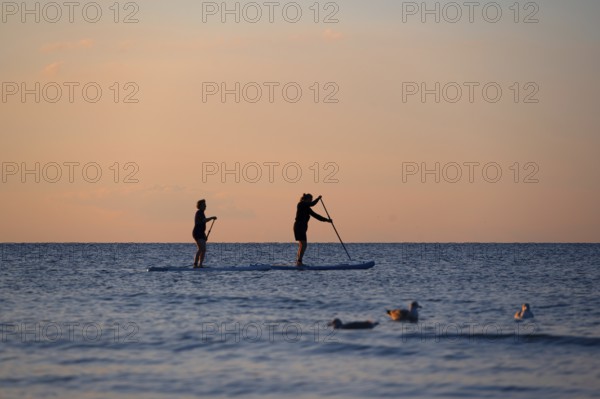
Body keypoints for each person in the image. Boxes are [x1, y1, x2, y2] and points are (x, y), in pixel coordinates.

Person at [293, 193, 332, 266]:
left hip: (302, 227)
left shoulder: (307, 209)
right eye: (310, 199)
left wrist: (327, 220)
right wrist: (318, 198)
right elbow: (312, 204)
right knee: (303, 244)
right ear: (306, 199)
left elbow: (316, 216)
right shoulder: (301, 204)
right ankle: (299, 262)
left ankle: (298, 262)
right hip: (299, 226)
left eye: (311, 199)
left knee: (302, 245)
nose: (311, 201)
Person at [193, 199, 217, 268]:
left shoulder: (202, 212)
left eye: (205, 205)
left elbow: (203, 225)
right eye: (204, 205)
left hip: (201, 233)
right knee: (201, 248)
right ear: (200, 206)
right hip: (197, 233)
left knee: (204, 249)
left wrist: (204, 235)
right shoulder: (199, 212)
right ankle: (195, 264)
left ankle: (200, 265)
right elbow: (204, 220)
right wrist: (212, 217)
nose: (205, 206)